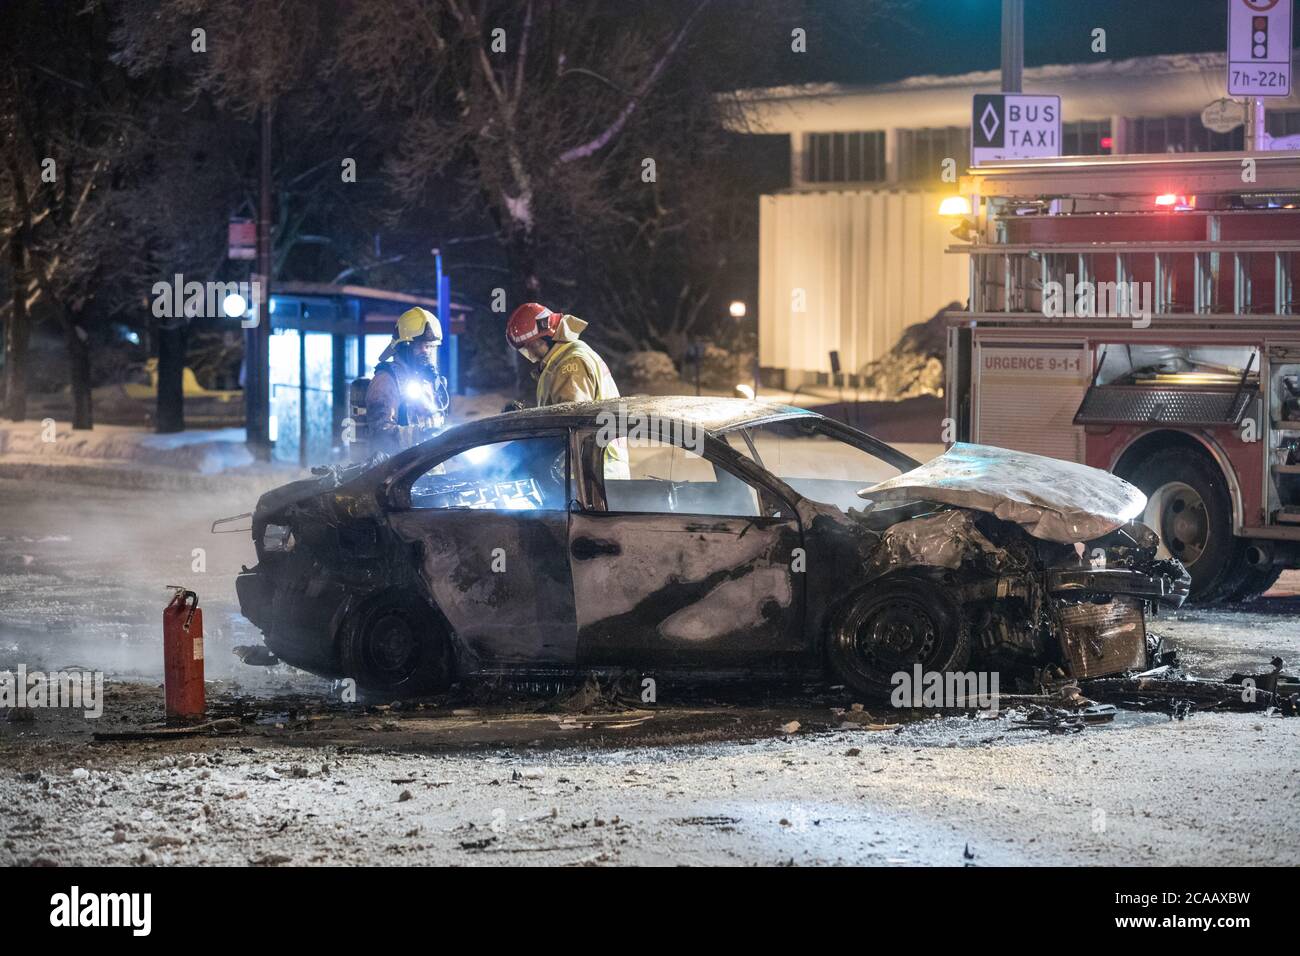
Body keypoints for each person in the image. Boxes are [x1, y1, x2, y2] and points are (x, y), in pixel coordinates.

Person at [505, 302, 627, 476]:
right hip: (590, 469)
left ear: (547, 335)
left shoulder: (569, 364)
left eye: (531, 346)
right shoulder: (561, 361)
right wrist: (524, 419)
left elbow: (570, 421)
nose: (530, 354)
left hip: (594, 472)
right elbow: (559, 415)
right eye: (525, 350)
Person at [365, 307, 448, 454]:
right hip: (400, 472)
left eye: (429, 346)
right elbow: (381, 436)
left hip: (430, 469)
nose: (426, 351)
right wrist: (420, 434)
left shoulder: (429, 382)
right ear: (404, 347)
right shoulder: (386, 380)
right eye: (419, 345)